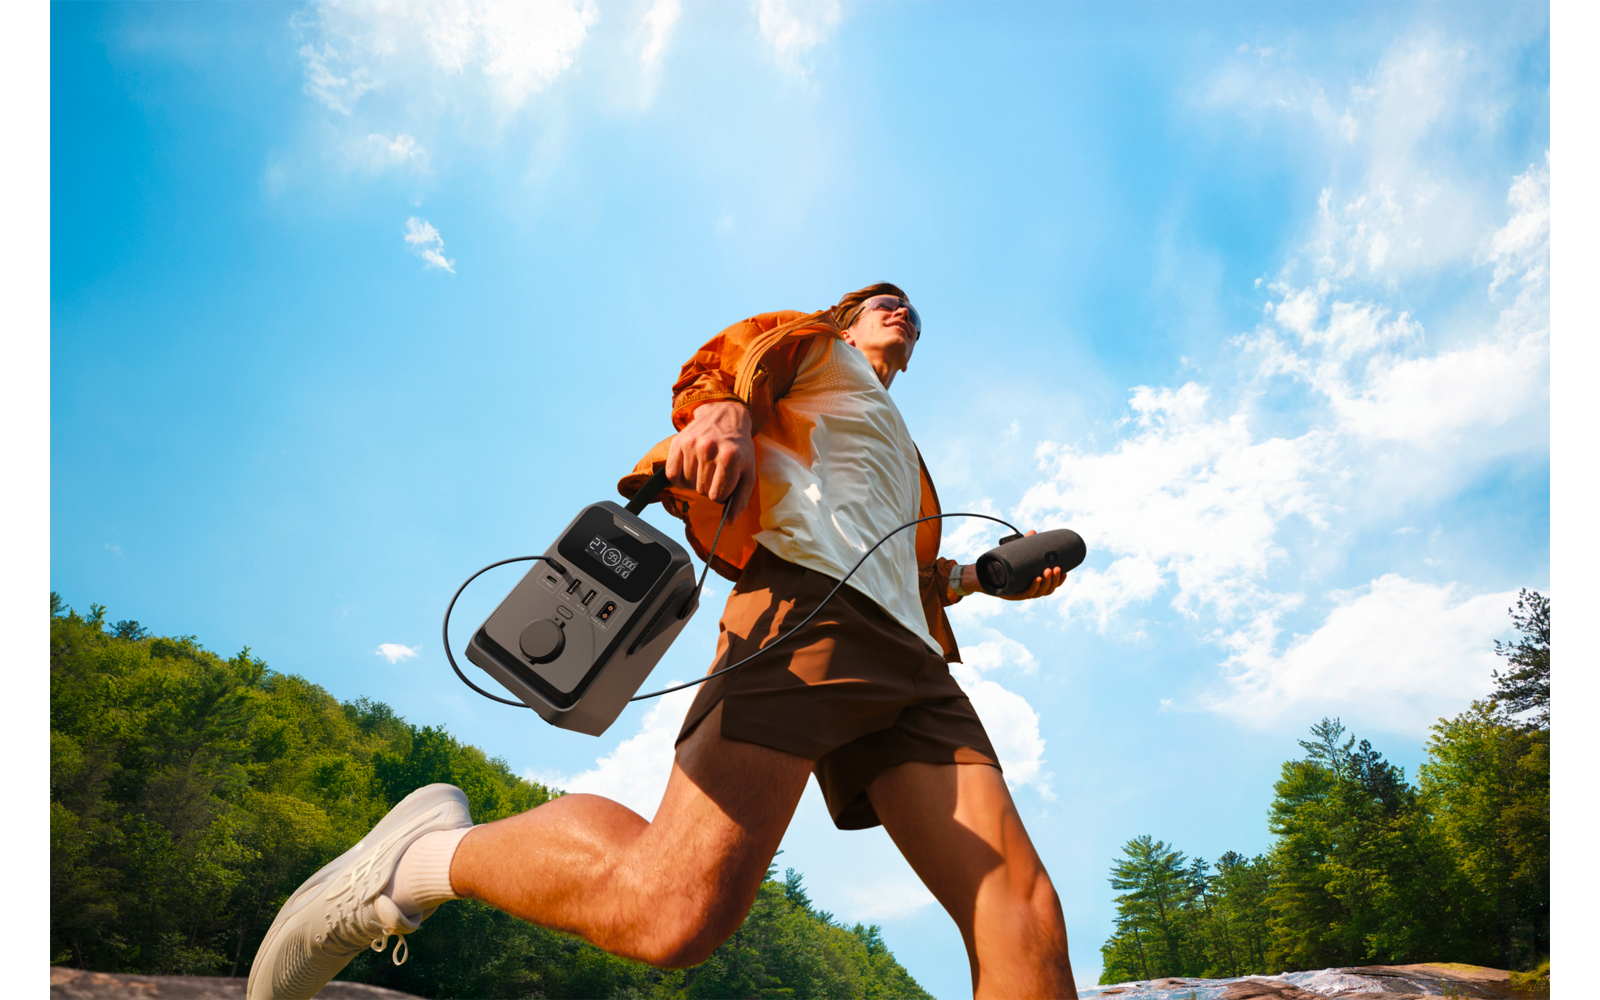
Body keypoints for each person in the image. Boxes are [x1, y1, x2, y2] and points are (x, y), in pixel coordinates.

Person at [248, 283, 1079, 1000]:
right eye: (878, 300)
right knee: (670, 914)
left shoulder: (905, 452)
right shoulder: (815, 347)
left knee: (1023, 913)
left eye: (912, 313)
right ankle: (422, 859)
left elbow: (900, 563)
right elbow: (732, 361)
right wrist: (718, 415)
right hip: (810, 612)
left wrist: (976, 579)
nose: (900, 308)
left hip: (915, 667)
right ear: (847, 319)